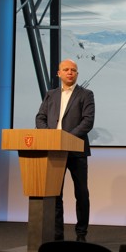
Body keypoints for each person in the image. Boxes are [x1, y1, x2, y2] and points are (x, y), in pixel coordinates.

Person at [35, 59, 95, 242]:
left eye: (73, 70)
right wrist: (51, 138)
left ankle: (81, 234)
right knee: (55, 194)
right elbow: (40, 118)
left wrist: (66, 139)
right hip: (54, 151)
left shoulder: (86, 94)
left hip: (76, 151)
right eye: (66, 69)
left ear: (77, 74)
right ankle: (57, 235)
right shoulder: (50, 94)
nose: (70, 72)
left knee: (81, 193)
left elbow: (88, 121)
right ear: (58, 73)